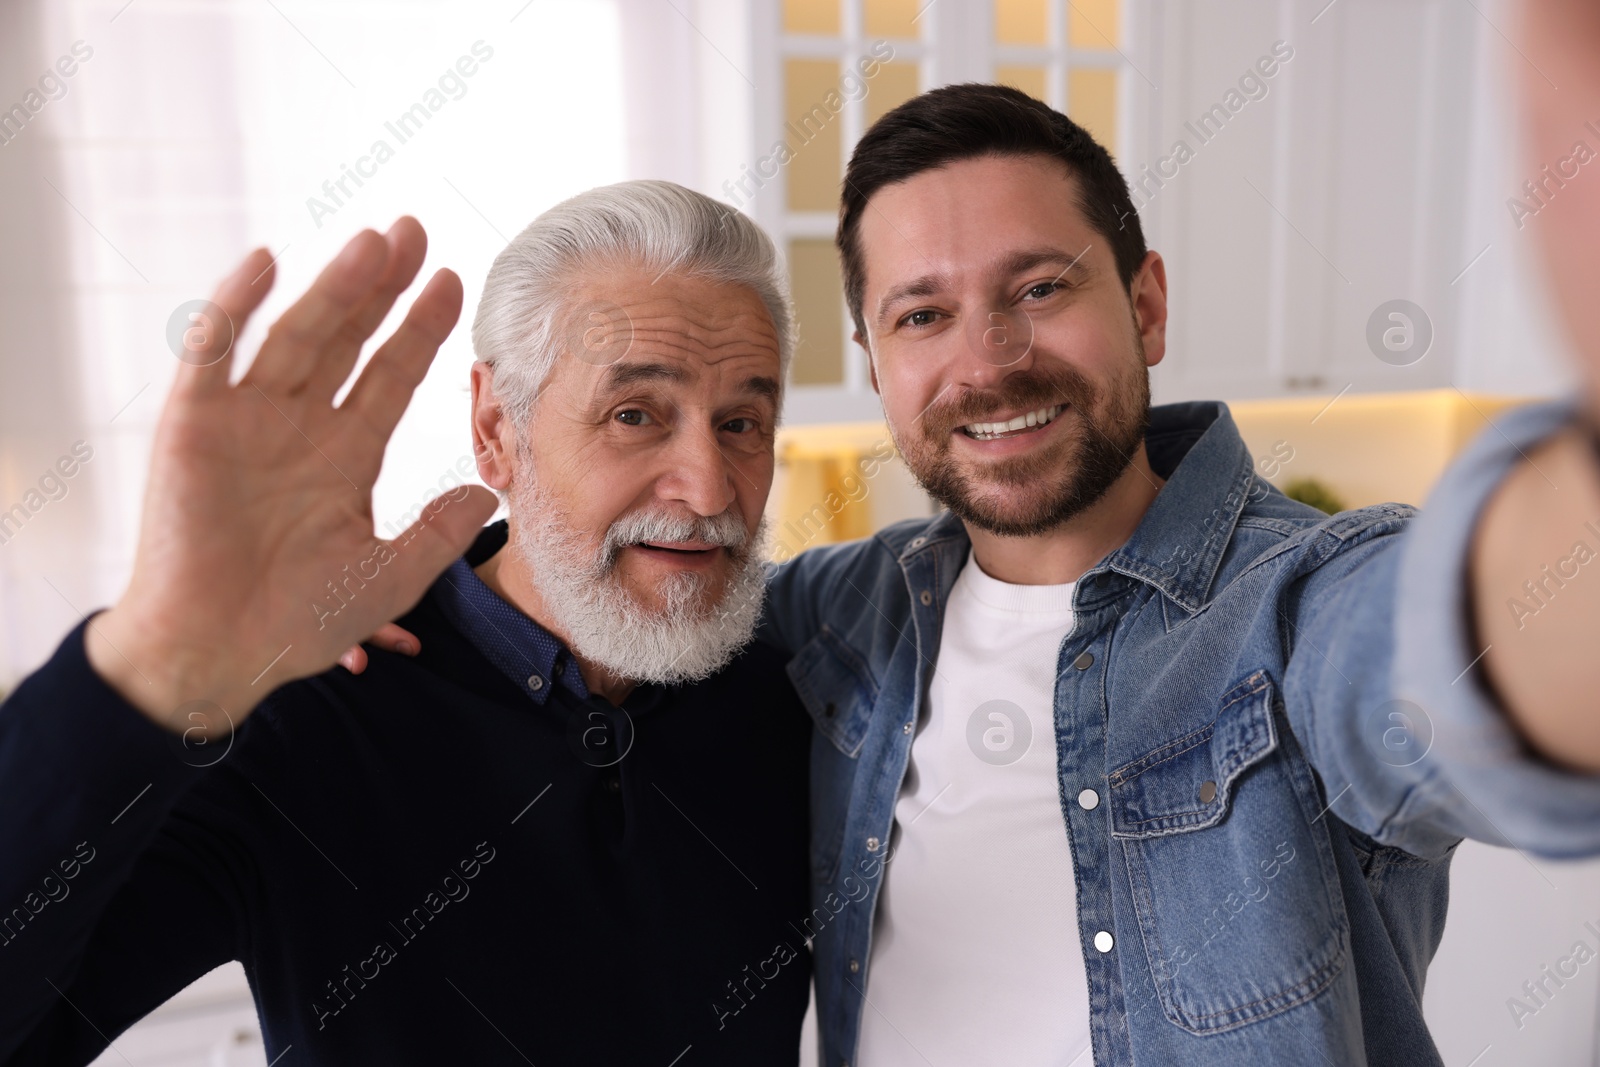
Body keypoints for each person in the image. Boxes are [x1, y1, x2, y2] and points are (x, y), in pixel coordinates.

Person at [364, 9, 1600, 1060]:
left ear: (1147, 302)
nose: (987, 361)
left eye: (1041, 287)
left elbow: (1475, 644)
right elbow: (612, 599)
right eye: (922, 313)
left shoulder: (1298, 603)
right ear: (875, 361)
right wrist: (392, 607)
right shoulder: (833, 619)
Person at [0, 183, 815, 1064]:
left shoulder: (800, 699)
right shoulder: (306, 716)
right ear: (497, 428)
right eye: (633, 415)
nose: (708, 487)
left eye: (741, 422)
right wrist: (153, 656)